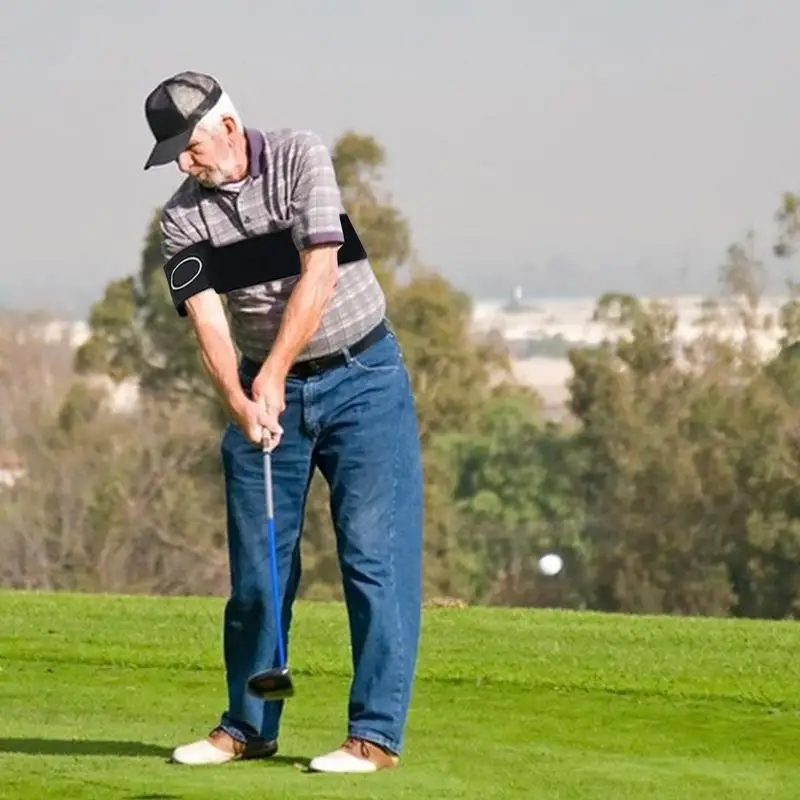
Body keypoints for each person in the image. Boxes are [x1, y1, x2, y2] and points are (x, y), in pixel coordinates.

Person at [142, 70, 423, 774]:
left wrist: (267, 374)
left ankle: (374, 736)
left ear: (229, 128)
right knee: (260, 576)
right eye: (174, 152)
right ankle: (249, 723)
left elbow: (319, 274)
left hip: (364, 379)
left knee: (371, 559)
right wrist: (241, 400)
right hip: (269, 399)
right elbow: (208, 318)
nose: (184, 162)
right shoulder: (182, 217)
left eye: (190, 145)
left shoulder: (301, 156)